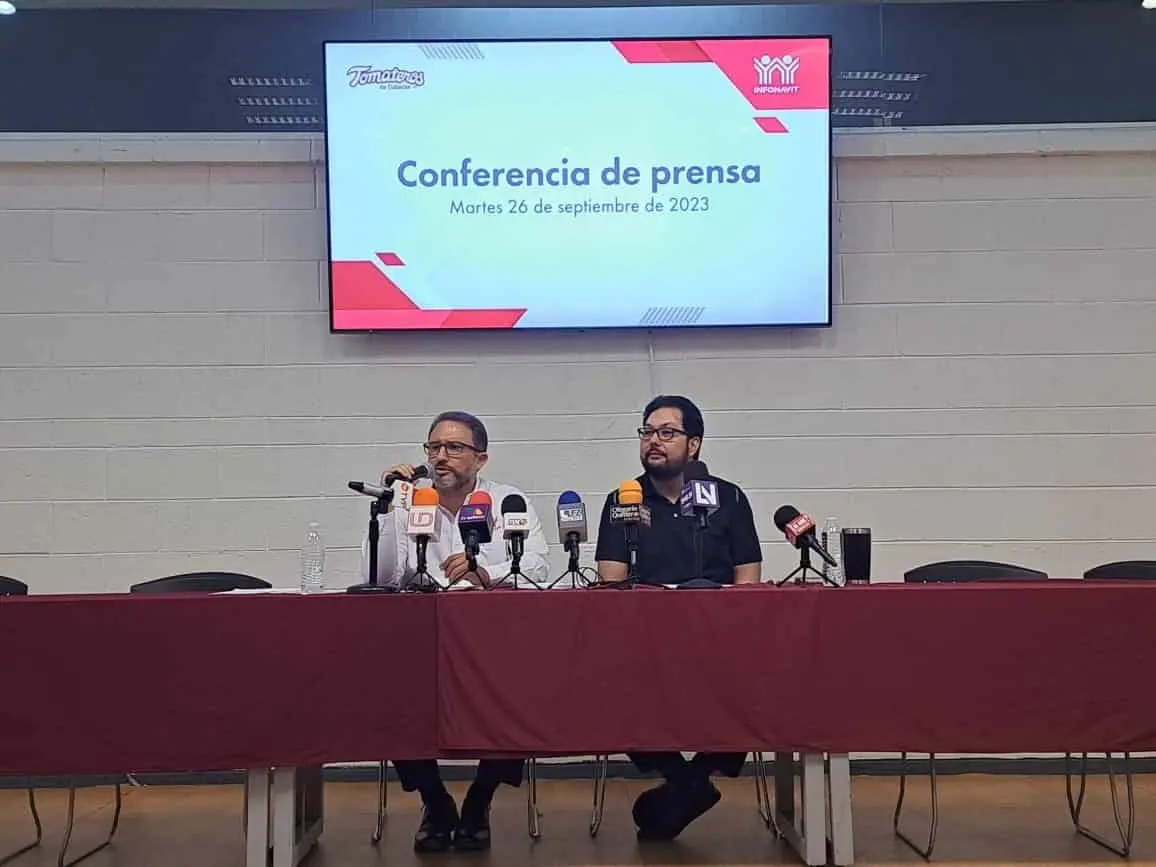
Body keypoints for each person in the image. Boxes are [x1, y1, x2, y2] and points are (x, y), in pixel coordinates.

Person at [361, 410, 550, 853]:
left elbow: (539, 567)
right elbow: (382, 576)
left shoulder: (507, 501)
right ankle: (436, 801)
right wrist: (390, 506)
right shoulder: (410, 501)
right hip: (420, 644)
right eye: (434, 447)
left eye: (454, 448)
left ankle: (479, 801)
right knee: (390, 695)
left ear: (480, 458)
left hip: (493, 647)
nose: (440, 457)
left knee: (517, 696)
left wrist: (487, 572)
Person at [594, 394, 762, 841]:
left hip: (719, 641)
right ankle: (685, 778)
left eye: (667, 432)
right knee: (612, 683)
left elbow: (747, 578)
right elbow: (611, 582)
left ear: (694, 444)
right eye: (647, 432)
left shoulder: (728, 498)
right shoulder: (622, 500)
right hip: (646, 645)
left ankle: (695, 776)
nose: (654, 440)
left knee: (755, 682)